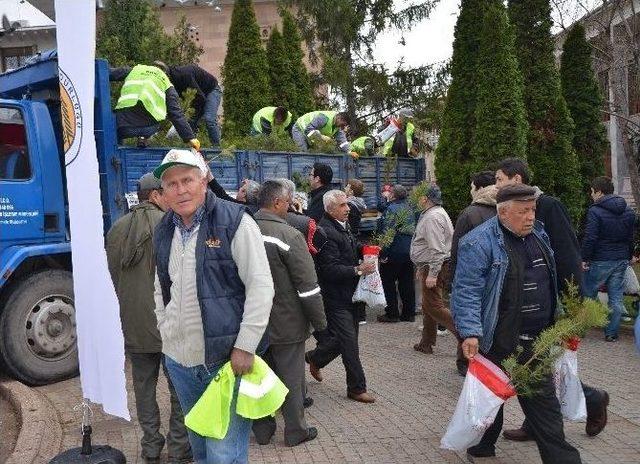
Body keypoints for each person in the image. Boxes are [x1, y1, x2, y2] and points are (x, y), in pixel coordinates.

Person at [151, 149, 274, 463]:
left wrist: (246, 346)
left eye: (187, 180)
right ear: (162, 192)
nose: (181, 190)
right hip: (180, 362)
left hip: (225, 364)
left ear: (203, 181)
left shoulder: (235, 222)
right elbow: (160, 287)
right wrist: (165, 331)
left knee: (223, 455)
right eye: (172, 184)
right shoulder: (165, 228)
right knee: (202, 450)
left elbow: (261, 288)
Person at [452, 184, 582, 464]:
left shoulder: (540, 234)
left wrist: (563, 320)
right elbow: (467, 290)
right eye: (523, 211)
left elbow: (551, 279)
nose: (530, 216)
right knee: (490, 397)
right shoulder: (478, 242)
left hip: (537, 338)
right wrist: (471, 332)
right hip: (499, 338)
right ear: (503, 212)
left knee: (544, 405)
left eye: (532, 209)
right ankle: (482, 447)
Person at [494, 158, 610, 441]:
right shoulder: (507, 212)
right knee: (532, 364)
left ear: (517, 179)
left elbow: (567, 254)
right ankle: (538, 423)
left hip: (549, 304)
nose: (495, 185)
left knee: (541, 364)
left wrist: (572, 304)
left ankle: (593, 400)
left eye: (499, 180)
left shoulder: (549, 206)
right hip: (524, 304)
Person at [106, 173, 192, 464]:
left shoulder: (116, 228)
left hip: (133, 325)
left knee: (143, 388)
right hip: (169, 325)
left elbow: (113, 278)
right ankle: (179, 449)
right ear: (156, 195)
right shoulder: (171, 225)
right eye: (169, 189)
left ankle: (151, 448)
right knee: (179, 388)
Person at [252, 180, 327, 446]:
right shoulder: (289, 236)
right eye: (288, 202)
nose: (291, 207)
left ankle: (262, 430)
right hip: (287, 323)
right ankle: (295, 431)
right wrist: (321, 324)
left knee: (258, 377)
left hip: (252, 323)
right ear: (277, 203)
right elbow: (307, 287)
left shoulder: (242, 230)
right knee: (292, 380)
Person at [305, 190, 377, 404]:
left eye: (347, 204)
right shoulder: (325, 231)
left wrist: (367, 250)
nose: (348, 208)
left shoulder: (341, 226)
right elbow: (328, 270)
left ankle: (314, 357)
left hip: (351, 295)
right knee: (349, 345)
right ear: (330, 209)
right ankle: (356, 388)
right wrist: (358, 270)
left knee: (345, 340)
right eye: (343, 205)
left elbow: (350, 248)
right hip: (335, 298)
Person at [410, 184, 462, 362]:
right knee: (428, 304)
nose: (418, 199)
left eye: (420, 196)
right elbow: (427, 245)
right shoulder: (436, 212)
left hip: (435, 266)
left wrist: (432, 273)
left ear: (426, 198)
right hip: (430, 265)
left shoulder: (432, 217)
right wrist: (421, 267)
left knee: (434, 306)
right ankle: (426, 342)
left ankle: (464, 335)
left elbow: (437, 249)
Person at [581, 176, 636, 342]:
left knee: (587, 293)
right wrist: (629, 255)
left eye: (592, 192)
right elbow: (630, 237)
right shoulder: (628, 211)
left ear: (599, 192)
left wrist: (584, 257)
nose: (591, 195)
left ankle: (581, 329)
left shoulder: (595, 211)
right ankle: (611, 333)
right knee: (616, 297)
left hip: (601, 259)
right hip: (621, 259)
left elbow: (590, 237)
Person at [110, 64, 199, 149]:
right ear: (166, 75)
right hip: (146, 128)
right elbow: (176, 114)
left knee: (116, 129)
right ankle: (143, 138)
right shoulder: (166, 82)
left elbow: (108, 73)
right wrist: (190, 138)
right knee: (157, 122)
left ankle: (116, 152)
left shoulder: (135, 70)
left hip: (121, 127)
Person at [156, 62, 223, 147]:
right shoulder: (169, 82)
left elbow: (200, 98)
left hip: (211, 90)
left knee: (209, 119)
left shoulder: (184, 76)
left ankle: (216, 148)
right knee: (189, 122)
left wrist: (192, 115)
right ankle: (192, 147)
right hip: (198, 96)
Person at [376, 184, 417, 323]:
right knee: (407, 282)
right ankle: (409, 313)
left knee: (388, 282)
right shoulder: (410, 208)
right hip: (409, 250)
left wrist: (383, 253)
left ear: (392, 195)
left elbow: (388, 232)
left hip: (394, 250)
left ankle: (392, 313)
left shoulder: (392, 209)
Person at [450, 171, 498, 284]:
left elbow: (457, 249)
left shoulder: (468, 214)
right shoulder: (508, 209)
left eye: (472, 187)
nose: (471, 191)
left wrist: (452, 280)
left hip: (474, 276)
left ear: (479, 189)